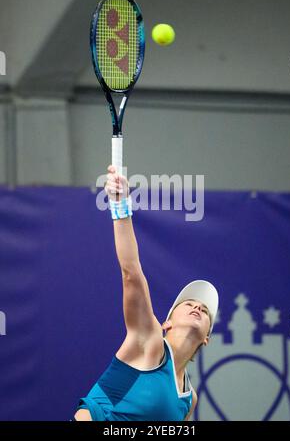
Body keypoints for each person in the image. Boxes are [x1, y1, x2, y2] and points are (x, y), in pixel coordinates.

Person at [74, 165, 219, 421]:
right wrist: (120, 207)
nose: (197, 307)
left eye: (205, 310)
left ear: (207, 336)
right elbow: (131, 272)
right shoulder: (149, 340)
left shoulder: (189, 399)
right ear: (167, 323)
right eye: (188, 304)